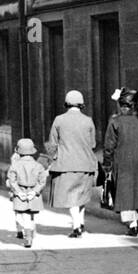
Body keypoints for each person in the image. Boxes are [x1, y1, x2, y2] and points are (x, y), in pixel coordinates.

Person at [102, 88, 138, 237]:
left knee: (126, 193)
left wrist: (107, 165)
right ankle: (136, 222)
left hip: (123, 163)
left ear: (121, 105)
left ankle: (132, 224)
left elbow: (109, 146)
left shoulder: (115, 122)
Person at [47, 89, 97, 237]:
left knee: (70, 198)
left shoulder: (59, 120)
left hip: (66, 165)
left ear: (66, 104)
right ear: (81, 105)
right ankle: (80, 222)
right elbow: (93, 144)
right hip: (86, 164)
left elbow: (52, 144)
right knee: (81, 196)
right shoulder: (88, 120)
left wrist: (53, 159)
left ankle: (76, 227)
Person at [6, 138, 48, 248]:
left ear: (19, 151)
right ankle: (30, 235)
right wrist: (34, 191)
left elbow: (12, 181)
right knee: (30, 216)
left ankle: (27, 236)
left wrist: (18, 192)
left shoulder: (15, 165)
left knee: (22, 216)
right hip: (33, 194)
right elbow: (42, 181)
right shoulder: (38, 166)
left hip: (20, 193)